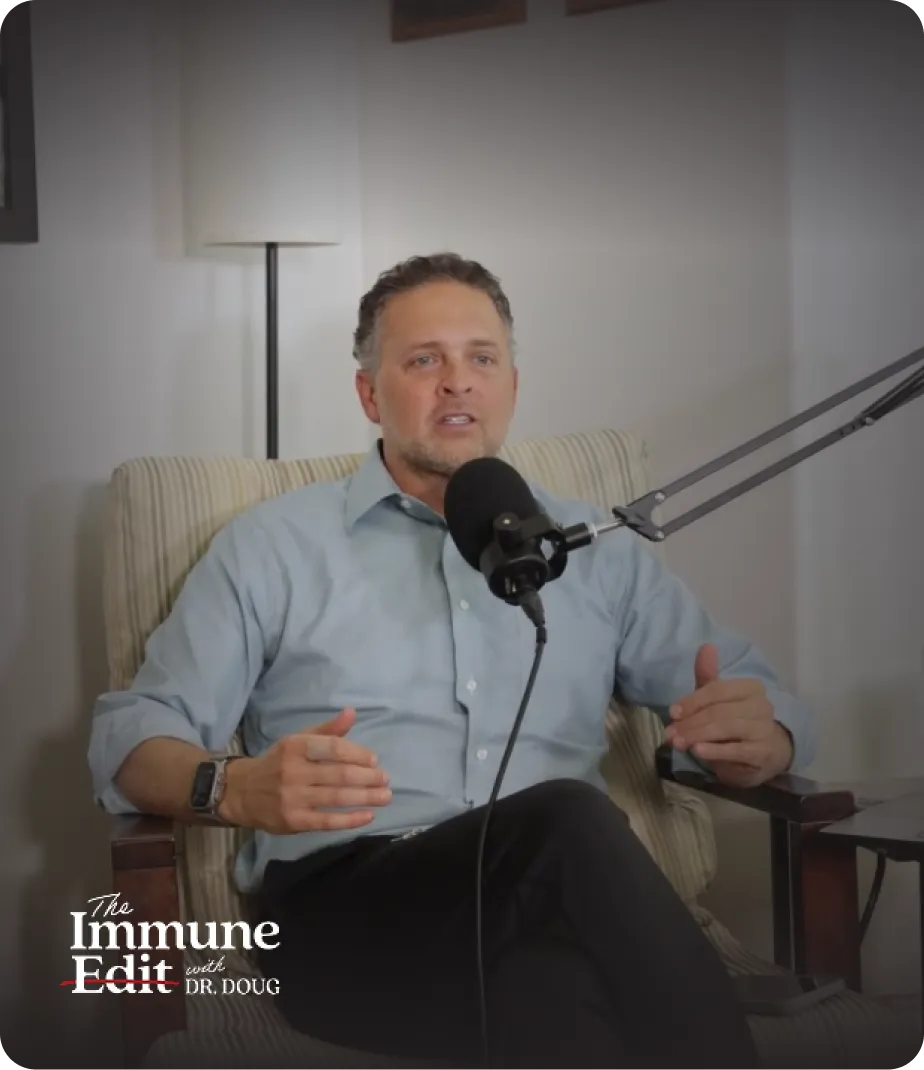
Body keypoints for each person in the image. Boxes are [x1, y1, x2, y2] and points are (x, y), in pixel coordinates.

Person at [88, 252, 816, 1069]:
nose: (457, 382)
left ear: (511, 383)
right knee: (568, 819)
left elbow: (759, 699)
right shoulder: (272, 547)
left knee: (549, 991)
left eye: (481, 358)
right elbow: (130, 741)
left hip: (548, 920)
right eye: (424, 359)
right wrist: (232, 785)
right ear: (371, 394)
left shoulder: (596, 549)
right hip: (349, 921)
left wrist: (769, 734)